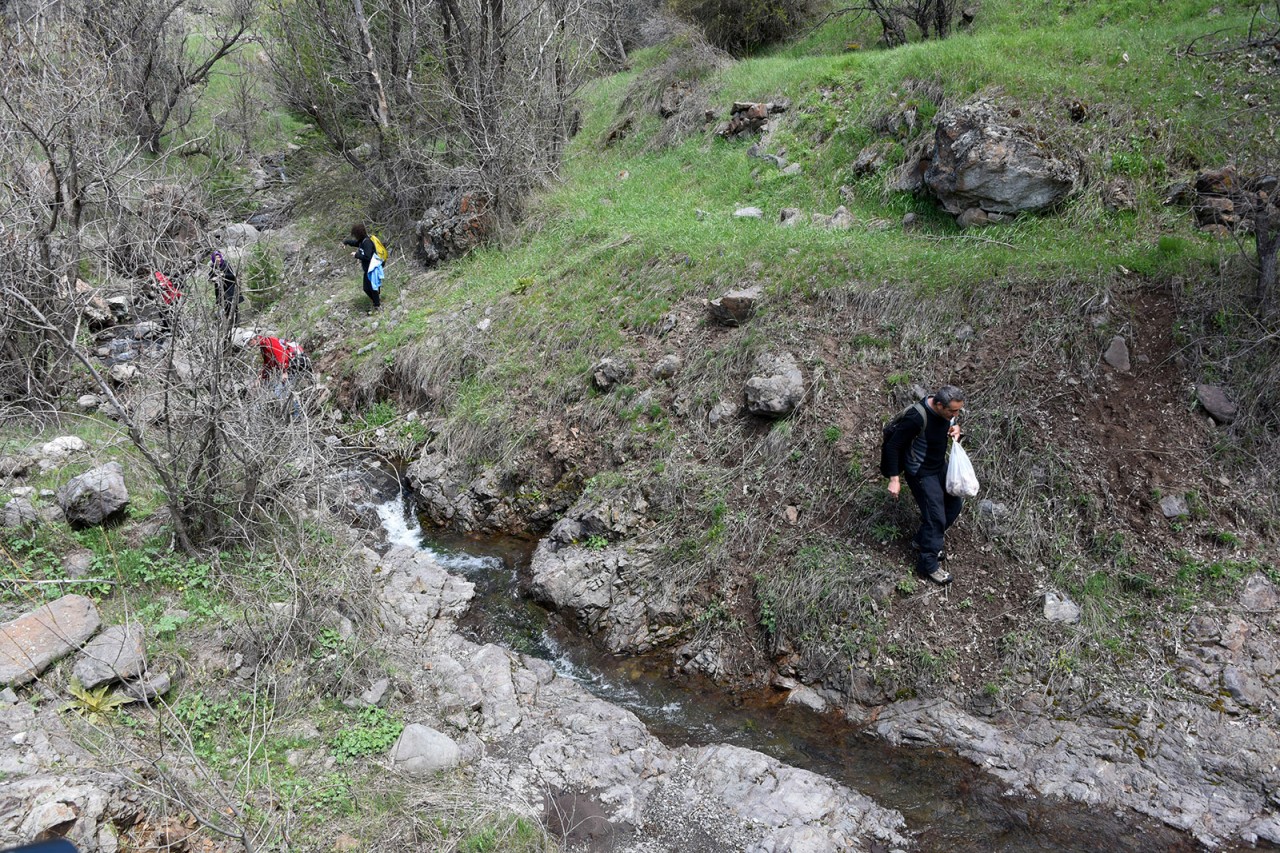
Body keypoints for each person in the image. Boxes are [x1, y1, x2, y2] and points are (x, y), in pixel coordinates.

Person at [880, 385, 966, 585]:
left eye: (958, 410)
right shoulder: (916, 417)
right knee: (935, 517)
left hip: (938, 466)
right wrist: (894, 479)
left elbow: (950, 423)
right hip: (921, 472)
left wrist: (956, 428)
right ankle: (928, 565)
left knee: (954, 504)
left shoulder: (946, 414)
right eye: (952, 411)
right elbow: (894, 446)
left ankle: (922, 541)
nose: (955, 414)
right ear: (938, 404)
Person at [255, 334, 307, 419]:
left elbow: (281, 355)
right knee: (281, 392)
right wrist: (262, 377)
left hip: (293, 366)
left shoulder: (269, 341)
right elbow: (268, 364)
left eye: (249, 343)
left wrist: (284, 371)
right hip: (288, 367)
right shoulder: (264, 347)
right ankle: (293, 415)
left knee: (282, 392)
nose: (250, 346)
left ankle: (298, 416)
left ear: (254, 338)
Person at [343, 223, 382, 314]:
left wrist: (356, 255)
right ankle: (376, 302)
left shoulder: (367, 242)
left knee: (371, 288)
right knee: (367, 288)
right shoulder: (362, 241)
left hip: (372, 269)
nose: (355, 237)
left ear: (358, 233)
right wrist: (346, 242)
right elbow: (354, 243)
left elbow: (368, 257)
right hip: (367, 269)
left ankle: (377, 305)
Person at [209, 250, 241, 325]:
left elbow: (233, 276)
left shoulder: (226, 264)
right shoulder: (213, 266)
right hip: (220, 290)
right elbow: (210, 277)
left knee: (233, 306)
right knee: (224, 306)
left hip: (230, 289)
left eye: (219, 257)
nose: (218, 259)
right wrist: (214, 279)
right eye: (216, 258)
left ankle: (236, 323)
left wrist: (224, 275)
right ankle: (228, 323)